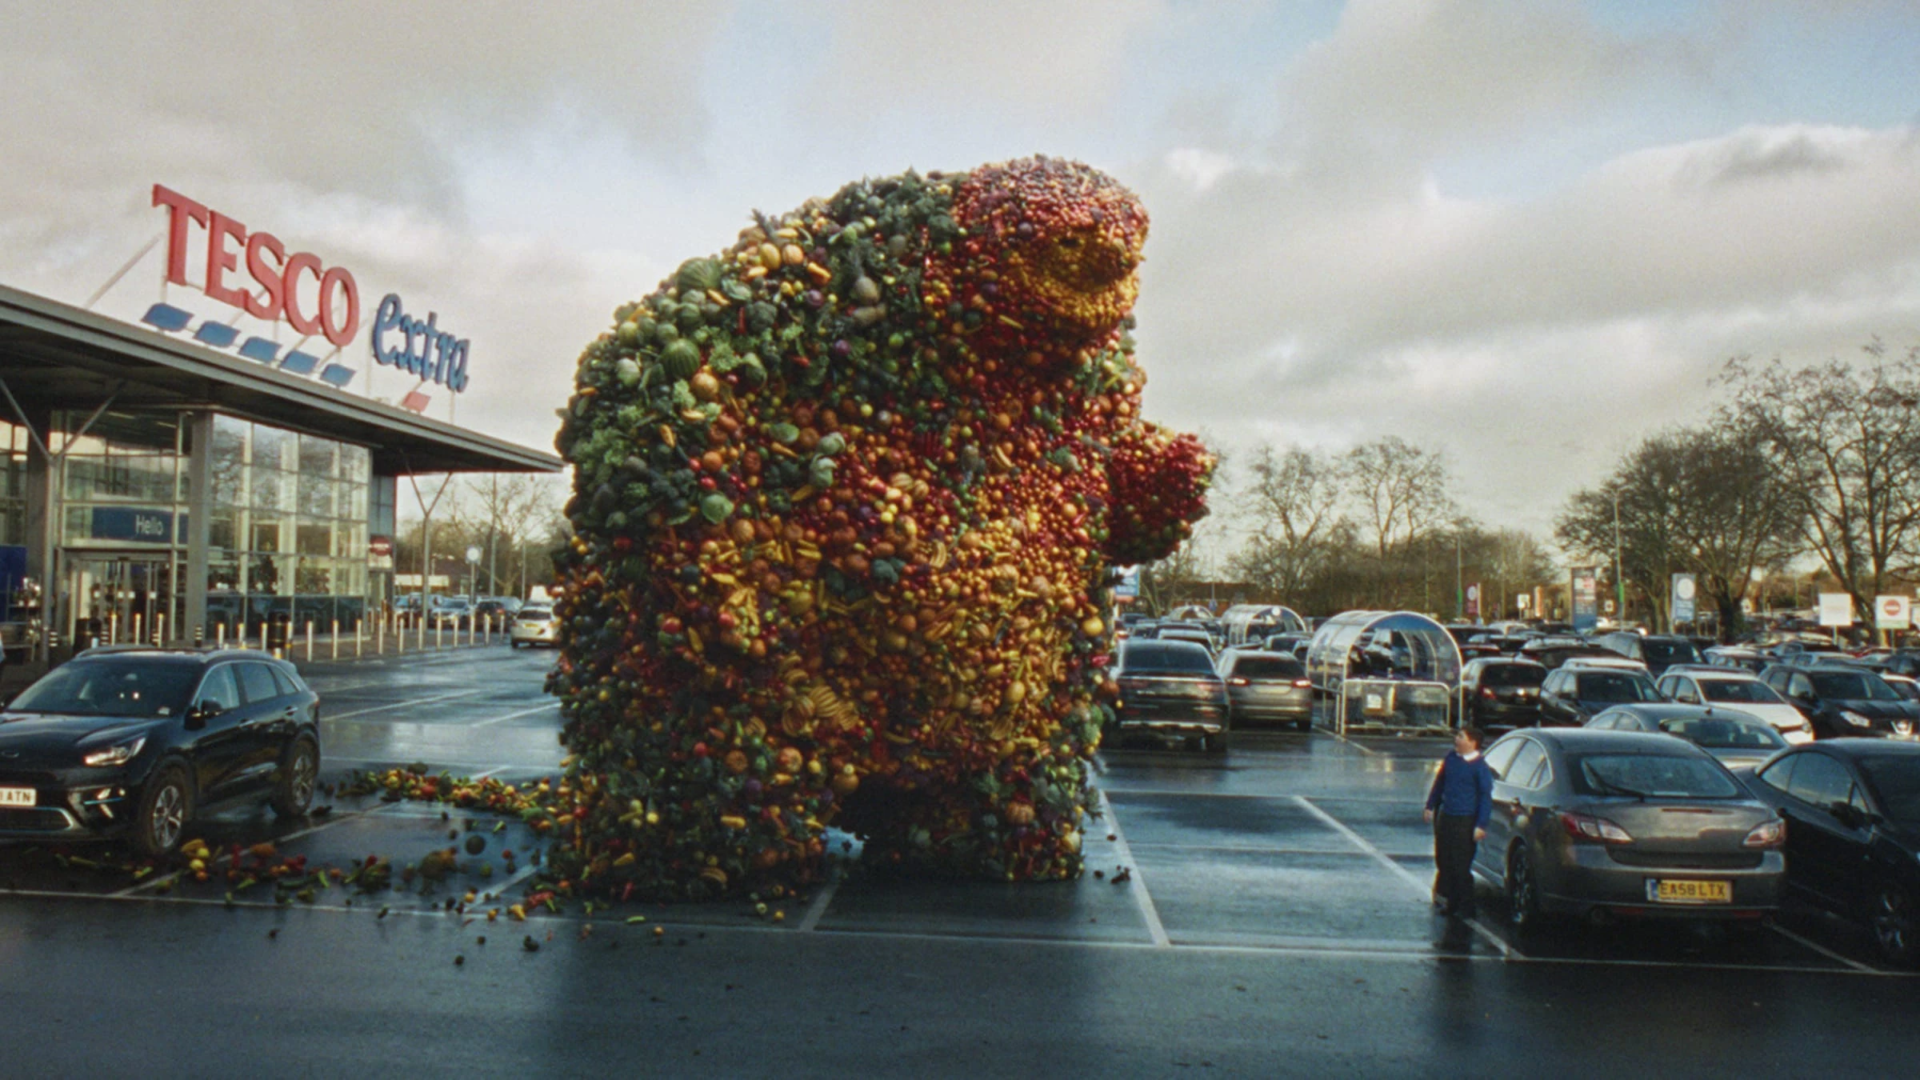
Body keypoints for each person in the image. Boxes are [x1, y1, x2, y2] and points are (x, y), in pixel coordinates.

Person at [1424, 725, 1494, 919]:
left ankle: (1466, 907)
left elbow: (1485, 797)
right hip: (1447, 817)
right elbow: (1440, 783)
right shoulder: (1451, 759)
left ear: (1472, 743)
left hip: (1465, 820)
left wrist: (1481, 824)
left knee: (1460, 865)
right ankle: (1451, 903)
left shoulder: (1480, 768)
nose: (1456, 739)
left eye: (1461, 737)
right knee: (1444, 861)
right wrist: (1430, 805)